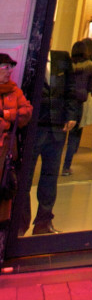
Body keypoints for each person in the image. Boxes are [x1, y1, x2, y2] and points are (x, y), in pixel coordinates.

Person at [21, 50, 78, 234]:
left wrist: (71, 115)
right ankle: (20, 223)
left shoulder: (61, 58)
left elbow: (71, 89)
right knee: (24, 177)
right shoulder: (29, 56)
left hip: (56, 128)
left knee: (50, 177)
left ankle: (43, 222)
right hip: (33, 127)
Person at [0, 53, 32, 228]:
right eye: (5, 67)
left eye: (10, 67)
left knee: (5, 192)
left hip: (7, 152)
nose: (9, 71)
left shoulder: (14, 91)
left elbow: (26, 112)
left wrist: (6, 115)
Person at [62, 40, 92, 176]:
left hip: (65, 101)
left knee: (61, 132)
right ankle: (66, 166)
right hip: (79, 102)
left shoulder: (67, 65)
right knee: (74, 135)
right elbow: (91, 85)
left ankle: (55, 164)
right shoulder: (89, 66)